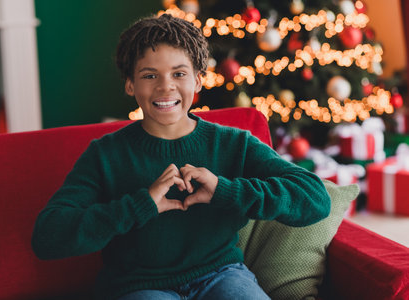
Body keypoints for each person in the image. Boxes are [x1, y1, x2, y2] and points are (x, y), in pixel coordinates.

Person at [32, 13, 331, 300]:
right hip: (137, 286)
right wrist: (141, 205)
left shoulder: (233, 143)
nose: (165, 86)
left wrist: (226, 191)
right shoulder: (105, 154)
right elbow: (48, 237)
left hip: (224, 274)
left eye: (179, 73)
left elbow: (316, 199)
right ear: (130, 84)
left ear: (198, 81)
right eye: (150, 75)